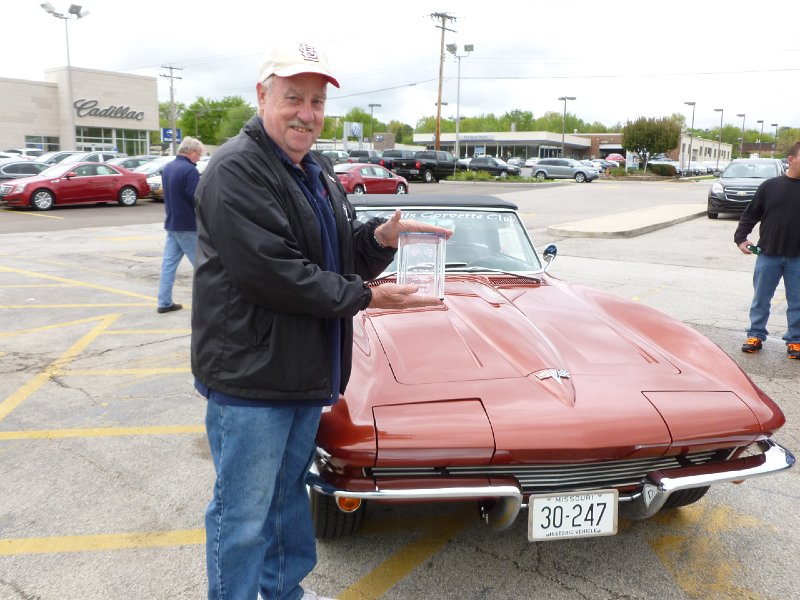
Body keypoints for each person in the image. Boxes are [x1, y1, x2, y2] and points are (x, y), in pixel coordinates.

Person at [191, 42, 451, 600]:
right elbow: (275, 273)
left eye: (317, 101)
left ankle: (284, 592)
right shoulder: (236, 169)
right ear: (263, 96)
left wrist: (380, 239)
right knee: (241, 515)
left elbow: (335, 254)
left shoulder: (316, 170)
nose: (307, 113)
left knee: (286, 501)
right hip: (251, 380)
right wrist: (369, 297)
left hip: (304, 372)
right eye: (293, 98)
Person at [734, 141, 800, 359]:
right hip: (768, 254)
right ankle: (755, 335)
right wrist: (740, 238)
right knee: (761, 298)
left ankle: (795, 340)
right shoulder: (770, 186)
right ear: (791, 159)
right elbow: (751, 214)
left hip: (798, 258)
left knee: (797, 301)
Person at [156, 136, 204, 313]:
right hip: (188, 225)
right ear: (191, 152)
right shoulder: (189, 171)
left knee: (168, 265)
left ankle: (164, 301)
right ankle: (210, 304)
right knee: (203, 266)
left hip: (172, 223)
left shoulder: (168, 168)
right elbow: (197, 197)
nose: (199, 158)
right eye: (199, 154)